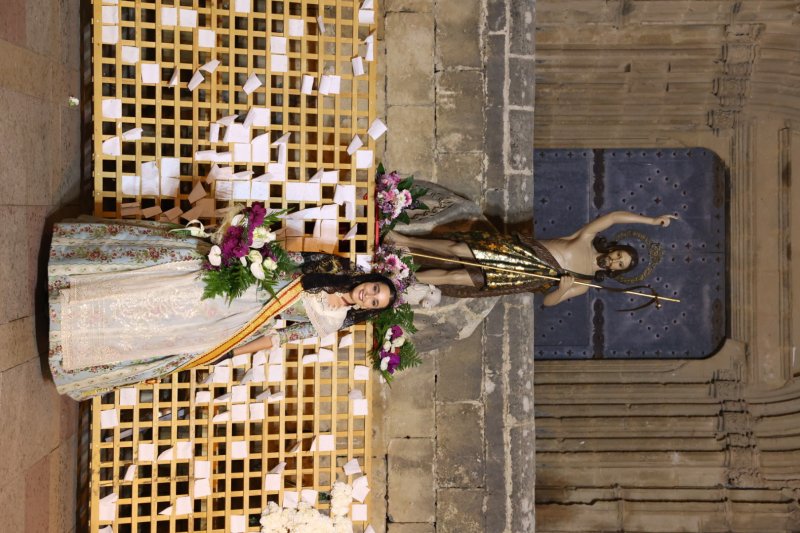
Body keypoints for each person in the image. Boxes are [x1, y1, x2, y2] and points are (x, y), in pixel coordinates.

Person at [48, 218, 396, 400]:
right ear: (373, 278)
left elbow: (281, 339)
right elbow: (282, 261)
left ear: (371, 311)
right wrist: (245, 261)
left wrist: (232, 351)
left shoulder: (333, 322)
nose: (370, 296)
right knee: (164, 286)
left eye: (375, 302)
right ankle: (66, 284)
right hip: (244, 282)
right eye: (376, 289)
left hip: (242, 319)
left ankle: (69, 333)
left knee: (165, 325)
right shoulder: (331, 267)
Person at [386, 211, 676, 306]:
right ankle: (405, 241)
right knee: (456, 249)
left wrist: (563, 287)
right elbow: (612, 217)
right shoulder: (585, 239)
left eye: (619, 265)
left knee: (458, 277)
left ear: (617, 272)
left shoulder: (587, 283)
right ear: (614, 248)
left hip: (520, 278)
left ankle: (400, 280)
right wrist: (651, 221)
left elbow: (549, 302)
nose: (613, 261)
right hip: (517, 252)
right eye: (617, 255)